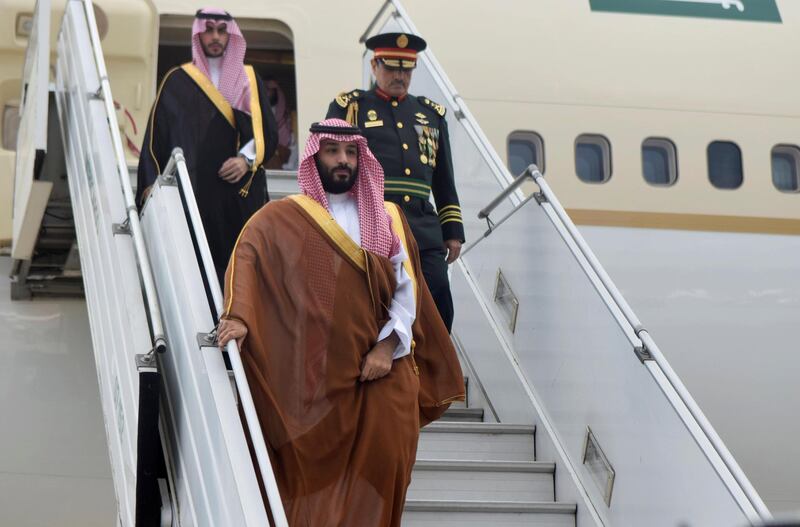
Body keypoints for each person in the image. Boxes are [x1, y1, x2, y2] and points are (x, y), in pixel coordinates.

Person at [217, 119, 464, 526]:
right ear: (315, 155)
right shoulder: (287, 216)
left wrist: (386, 348)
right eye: (332, 151)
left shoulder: (389, 216)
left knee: (387, 461)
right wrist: (240, 317)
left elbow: (409, 290)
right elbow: (248, 254)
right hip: (320, 373)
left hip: (387, 366)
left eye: (350, 153)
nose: (343, 161)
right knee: (313, 480)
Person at [326, 32, 464, 332]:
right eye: (391, 67)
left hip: (422, 223)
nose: (399, 75)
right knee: (377, 298)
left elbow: (443, 179)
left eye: (406, 69)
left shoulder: (430, 114)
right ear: (375, 67)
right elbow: (331, 164)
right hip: (374, 217)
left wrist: (452, 231)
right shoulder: (352, 107)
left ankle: (434, 367)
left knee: (437, 291)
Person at [136, 7, 278, 285]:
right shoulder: (177, 80)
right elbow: (156, 138)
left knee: (242, 266)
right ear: (198, 34)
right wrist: (151, 184)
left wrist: (245, 160)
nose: (215, 37)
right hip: (193, 194)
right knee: (194, 266)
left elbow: (267, 134)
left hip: (238, 194)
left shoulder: (248, 78)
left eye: (222, 30)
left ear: (231, 34)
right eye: (208, 30)